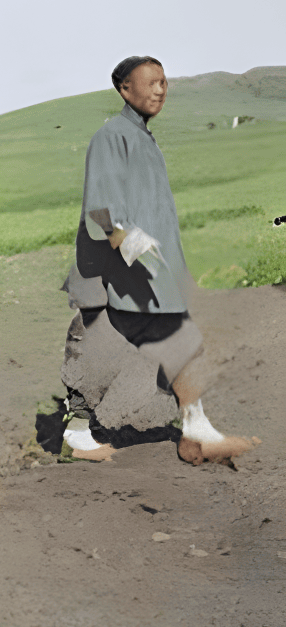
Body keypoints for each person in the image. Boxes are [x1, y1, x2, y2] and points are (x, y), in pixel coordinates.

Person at [60, 56, 255, 464]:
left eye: (164, 82)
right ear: (123, 90)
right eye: (148, 82)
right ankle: (75, 437)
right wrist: (129, 244)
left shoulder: (143, 139)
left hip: (151, 276)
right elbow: (99, 209)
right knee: (97, 350)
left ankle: (195, 432)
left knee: (182, 343)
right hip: (119, 273)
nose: (159, 89)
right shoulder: (112, 135)